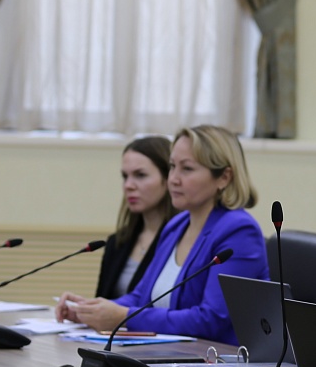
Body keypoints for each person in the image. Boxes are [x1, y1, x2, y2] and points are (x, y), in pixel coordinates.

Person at [54, 125, 268, 343]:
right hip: (170, 356)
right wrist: (88, 311)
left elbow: (211, 319)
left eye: (187, 169)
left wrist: (124, 317)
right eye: (172, 166)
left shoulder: (238, 231)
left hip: (216, 360)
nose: (173, 179)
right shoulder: (176, 226)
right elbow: (141, 297)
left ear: (224, 177)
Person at [94, 135, 175, 299]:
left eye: (140, 175)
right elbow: (102, 302)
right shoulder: (117, 242)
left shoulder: (182, 242)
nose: (129, 185)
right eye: (125, 176)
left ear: (169, 178)